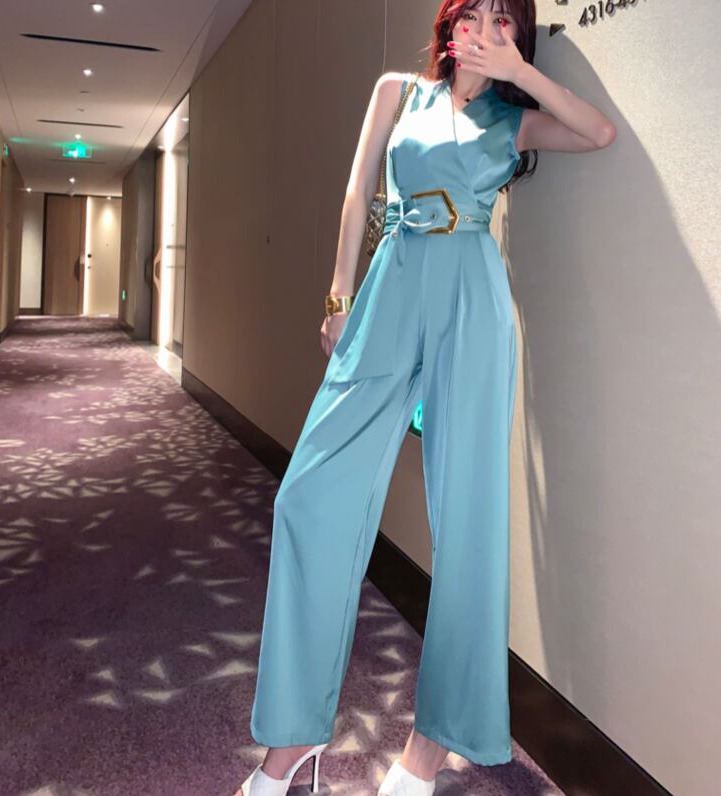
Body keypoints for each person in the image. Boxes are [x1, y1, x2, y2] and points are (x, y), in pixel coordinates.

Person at [236, 1, 616, 794]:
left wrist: (518, 73)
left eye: (499, 18)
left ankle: (430, 743)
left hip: (471, 301)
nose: (479, 25)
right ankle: (292, 738)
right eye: (469, 11)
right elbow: (356, 195)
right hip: (389, 285)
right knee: (308, 496)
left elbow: (596, 132)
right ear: (449, 24)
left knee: (468, 519)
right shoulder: (395, 91)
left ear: (515, 34)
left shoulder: (513, 121)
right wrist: (337, 297)